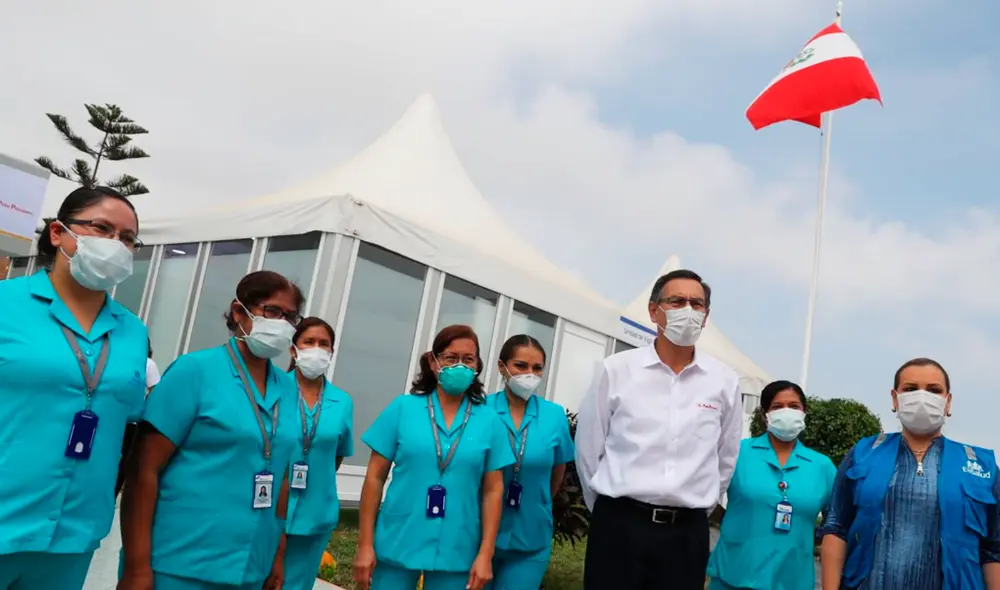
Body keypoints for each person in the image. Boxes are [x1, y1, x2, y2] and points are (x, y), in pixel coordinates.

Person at [119, 270, 304, 590]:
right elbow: (143, 470)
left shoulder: (287, 390)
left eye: (290, 317)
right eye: (271, 311)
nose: (281, 323)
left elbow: (282, 479)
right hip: (179, 564)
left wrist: (276, 554)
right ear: (238, 311)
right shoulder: (195, 371)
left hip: (251, 567)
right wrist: (137, 568)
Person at [0, 186, 147, 590]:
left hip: (74, 536)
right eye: (102, 228)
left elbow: (128, 419)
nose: (116, 244)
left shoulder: (132, 332)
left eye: (128, 238)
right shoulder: (5, 303)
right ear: (57, 234)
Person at [575, 269, 743, 590]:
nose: (688, 311)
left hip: (686, 534)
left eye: (697, 304)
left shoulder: (723, 381)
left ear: (706, 316)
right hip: (619, 526)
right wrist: (610, 510)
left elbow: (725, 457)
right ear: (654, 310)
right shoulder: (617, 370)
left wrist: (696, 505)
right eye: (677, 301)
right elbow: (589, 450)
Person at [353, 324, 515, 590]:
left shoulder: (490, 421)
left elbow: (493, 491)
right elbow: (374, 477)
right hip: (398, 540)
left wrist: (486, 555)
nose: (459, 366)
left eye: (468, 359)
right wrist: (365, 545)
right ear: (433, 361)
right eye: (451, 358)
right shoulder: (403, 408)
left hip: (457, 548)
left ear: (477, 366)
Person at [819, 358, 1000, 590]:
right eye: (911, 389)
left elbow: (993, 549)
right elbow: (836, 528)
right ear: (895, 398)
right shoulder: (864, 453)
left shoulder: (981, 465)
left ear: (948, 402)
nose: (922, 397)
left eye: (934, 390)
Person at [706, 380, 836, 589]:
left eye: (794, 406)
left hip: (793, 579)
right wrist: (730, 520)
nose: (786, 412)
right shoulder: (738, 453)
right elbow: (704, 496)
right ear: (764, 414)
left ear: (804, 412)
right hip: (734, 575)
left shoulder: (822, 466)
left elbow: (836, 526)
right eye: (777, 406)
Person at [485, 335, 575, 590]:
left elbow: (558, 468)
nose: (529, 374)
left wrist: (541, 500)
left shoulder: (554, 415)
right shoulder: (481, 410)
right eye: (521, 366)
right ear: (502, 367)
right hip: (478, 535)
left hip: (531, 534)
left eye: (537, 368)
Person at [282, 317, 354, 590]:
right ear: (293, 349)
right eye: (309, 342)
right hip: (270, 506)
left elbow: (336, 455)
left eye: (324, 344)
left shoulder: (342, 401)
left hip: (317, 512)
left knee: (298, 584)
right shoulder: (274, 389)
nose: (316, 348)